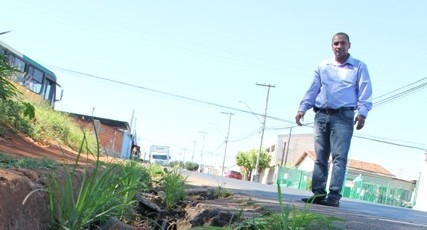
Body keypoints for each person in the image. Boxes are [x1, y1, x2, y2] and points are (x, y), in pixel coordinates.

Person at [295, 32, 373, 207]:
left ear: (349, 45)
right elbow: (313, 88)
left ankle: (334, 196)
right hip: (321, 115)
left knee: (339, 157)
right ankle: (318, 194)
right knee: (320, 156)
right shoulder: (323, 66)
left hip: (343, 117)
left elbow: (365, 92)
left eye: (342, 43)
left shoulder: (359, 67)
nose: (339, 46)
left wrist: (362, 114)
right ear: (332, 46)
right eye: (336, 43)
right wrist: (302, 109)